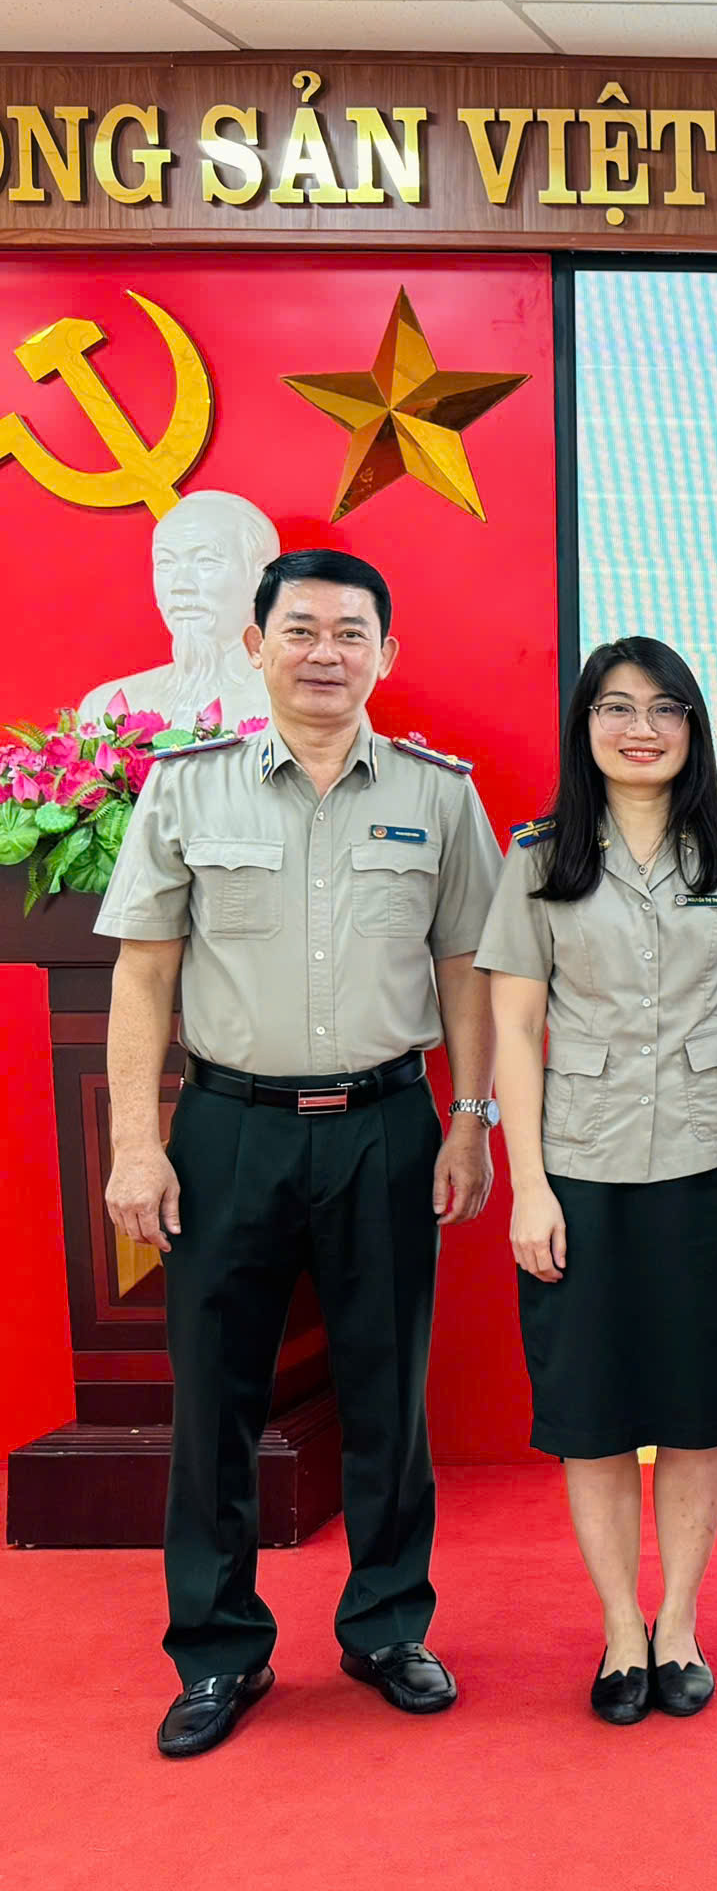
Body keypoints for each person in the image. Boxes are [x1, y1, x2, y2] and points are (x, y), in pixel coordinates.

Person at [97, 548, 502, 1759]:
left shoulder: (439, 795)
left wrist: (470, 1118)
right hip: (230, 1130)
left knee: (389, 1391)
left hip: (387, 1124)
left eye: (351, 632)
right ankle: (218, 1648)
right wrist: (137, 1144)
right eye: (302, 629)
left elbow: (468, 969)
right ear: (257, 645)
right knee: (215, 1397)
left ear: (387, 652)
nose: (326, 653)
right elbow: (143, 977)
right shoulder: (186, 788)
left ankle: (387, 1627)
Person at [477, 637, 717, 1726]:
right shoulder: (539, 857)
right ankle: (621, 1628)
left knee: (700, 1410)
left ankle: (679, 1624)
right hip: (583, 1170)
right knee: (594, 1411)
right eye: (616, 708)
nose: (641, 729)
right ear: (586, 729)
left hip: (716, 1167)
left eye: (665, 710)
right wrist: (528, 1185)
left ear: (693, 728)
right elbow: (515, 1028)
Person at [79, 490, 280, 726]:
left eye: (206, 561)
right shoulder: (106, 709)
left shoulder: (292, 704)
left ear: (261, 577)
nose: (181, 585)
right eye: (166, 562)